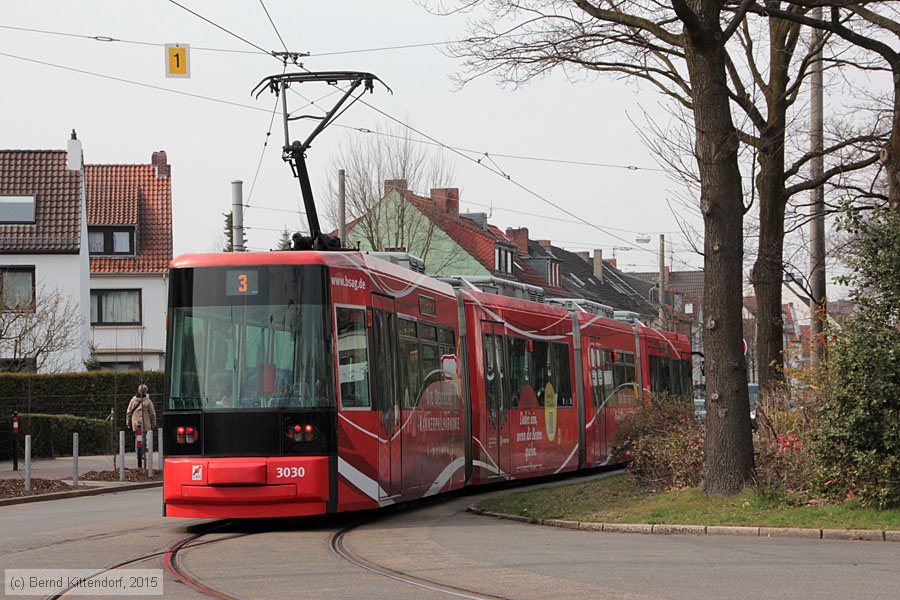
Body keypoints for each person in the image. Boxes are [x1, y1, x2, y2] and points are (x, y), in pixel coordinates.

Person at [126, 384, 157, 463]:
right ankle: (142, 453)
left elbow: (129, 411)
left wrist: (128, 421)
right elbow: (152, 413)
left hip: (135, 421)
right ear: (146, 391)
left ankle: (138, 453)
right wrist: (153, 423)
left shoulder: (133, 400)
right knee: (143, 437)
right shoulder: (148, 401)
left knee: (137, 436)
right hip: (144, 421)